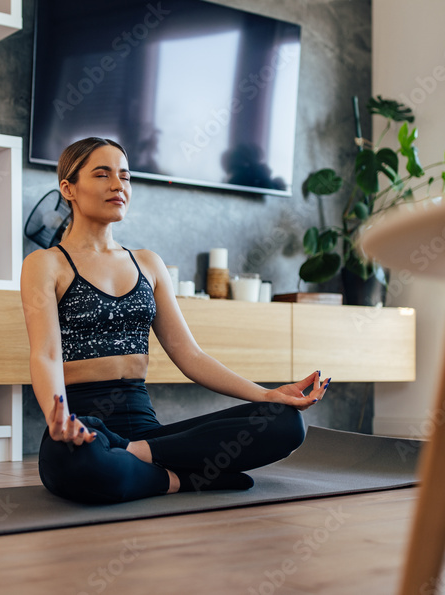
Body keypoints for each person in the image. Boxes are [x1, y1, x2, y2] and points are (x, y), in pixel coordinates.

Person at [21, 137, 331, 504]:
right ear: (68, 188)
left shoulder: (148, 263)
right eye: (102, 175)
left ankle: (135, 457)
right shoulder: (45, 264)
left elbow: (191, 356)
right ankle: (183, 479)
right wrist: (59, 419)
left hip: (148, 434)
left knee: (284, 423)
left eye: (125, 176)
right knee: (75, 463)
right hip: (84, 426)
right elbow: (46, 354)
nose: (118, 185)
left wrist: (267, 394)